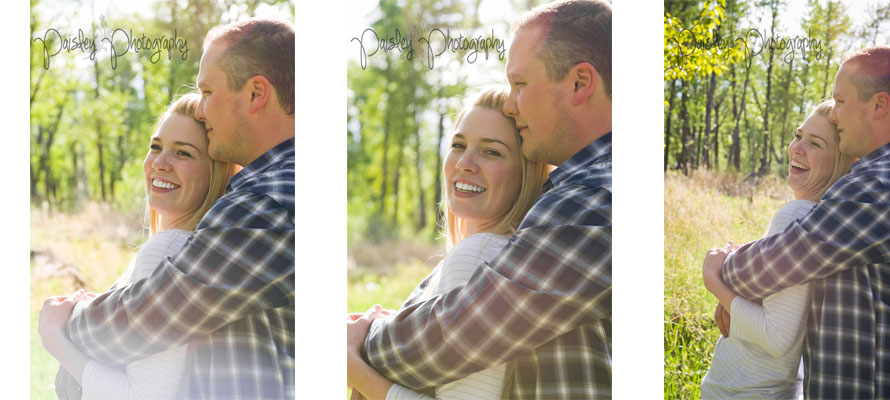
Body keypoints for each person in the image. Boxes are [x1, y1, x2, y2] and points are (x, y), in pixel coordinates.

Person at [351, 1, 613, 398]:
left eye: (520, 85)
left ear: (580, 83)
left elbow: (457, 330)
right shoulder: (568, 200)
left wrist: (358, 346)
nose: (511, 103)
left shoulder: (591, 198)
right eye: (458, 145)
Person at [40, 19, 296, 399]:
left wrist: (60, 328)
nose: (205, 111)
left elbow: (147, 316)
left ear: (257, 92)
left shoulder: (266, 203)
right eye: (155, 146)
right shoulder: (265, 191)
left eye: (208, 91)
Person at [703, 46, 890, 398]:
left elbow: (767, 266)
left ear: (879, 105)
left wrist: (719, 272)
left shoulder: (875, 187)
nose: (836, 115)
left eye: (840, 101)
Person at [347, 87, 551, 399]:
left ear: (526, 173)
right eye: (458, 145)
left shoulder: (477, 255)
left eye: (491, 151)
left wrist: (352, 366)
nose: (465, 163)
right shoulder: (490, 255)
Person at [38, 93, 240, 399]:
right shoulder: (186, 250)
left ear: (215, 172)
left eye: (183, 153)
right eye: (156, 147)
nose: (159, 163)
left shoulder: (166, 251)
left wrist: (54, 338)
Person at [699, 100, 856, 399]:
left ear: (839, 162)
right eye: (799, 135)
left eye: (815, 143)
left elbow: (776, 337)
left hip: (744, 392)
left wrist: (715, 282)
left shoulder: (795, 216)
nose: (796, 148)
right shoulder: (821, 220)